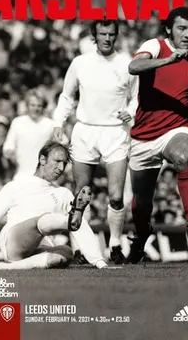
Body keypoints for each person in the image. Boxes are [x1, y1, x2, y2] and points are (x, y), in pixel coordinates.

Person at [124, 7, 188, 264]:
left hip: (177, 127)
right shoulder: (155, 46)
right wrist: (168, 60)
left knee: (182, 157)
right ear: (169, 29)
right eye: (182, 28)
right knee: (142, 201)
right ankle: (141, 235)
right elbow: (134, 66)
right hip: (143, 136)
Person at [51, 20, 136, 264]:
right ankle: (79, 249)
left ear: (116, 36)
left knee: (116, 196)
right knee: (81, 194)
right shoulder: (81, 63)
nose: (107, 38)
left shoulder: (127, 63)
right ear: (94, 36)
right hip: (86, 131)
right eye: (102, 34)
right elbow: (67, 96)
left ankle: (115, 244)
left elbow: (137, 97)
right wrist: (58, 123)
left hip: (115, 133)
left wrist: (130, 111)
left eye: (111, 34)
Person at [0, 141, 108, 269]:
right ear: (42, 159)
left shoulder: (63, 193)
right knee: (45, 219)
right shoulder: (15, 187)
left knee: (65, 253)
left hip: (42, 247)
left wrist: (99, 261)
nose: (61, 167)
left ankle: (2, 267)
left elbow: (81, 224)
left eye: (64, 163)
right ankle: (67, 221)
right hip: (13, 243)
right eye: (57, 161)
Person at [2, 91, 56, 180]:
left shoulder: (51, 124)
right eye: (32, 105)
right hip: (21, 174)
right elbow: (8, 145)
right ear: (27, 106)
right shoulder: (17, 122)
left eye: (39, 106)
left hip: (44, 175)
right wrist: (10, 153)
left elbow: (63, 144)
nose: (36, 109)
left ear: (43, 107)